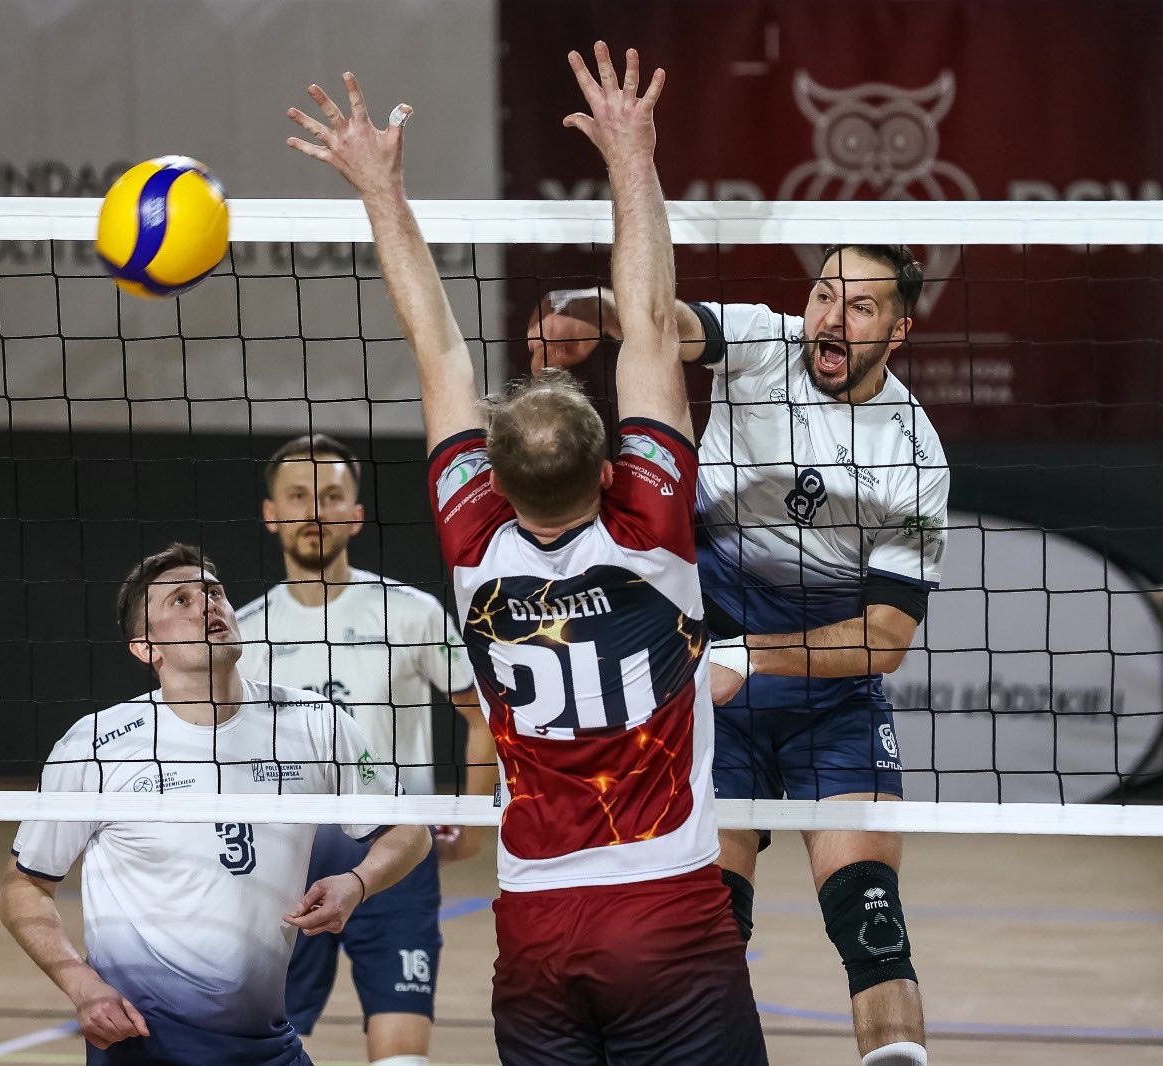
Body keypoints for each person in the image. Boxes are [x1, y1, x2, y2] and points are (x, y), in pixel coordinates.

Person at [285, 43, 767, 1065]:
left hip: (537, 923)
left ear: (495, 481)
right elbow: (648, 325)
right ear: (613, 472)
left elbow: (439, 352)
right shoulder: (653, 533)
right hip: (666, 907)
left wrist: (380, 190)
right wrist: (632, 158)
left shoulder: (474, 540)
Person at [527, 242, 948, 1062]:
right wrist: (586, 307)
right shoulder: (764, 341)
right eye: (824, 294)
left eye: (861, 307)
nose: (830, 318)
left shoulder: (914, 453)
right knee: (708, 931)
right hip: (711, 701)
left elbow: (886, 640)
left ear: (897, 334)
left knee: (872, 925)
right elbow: (660, 323)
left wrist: (749, 657)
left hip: (827, 702)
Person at [0, 543, 432, 1064]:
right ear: (146, 647)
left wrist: (357, 883)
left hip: (265, 1044)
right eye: (180, 600)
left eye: (214, 592)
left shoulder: (316, 723)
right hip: (144, 1047)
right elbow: (24, 886)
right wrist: (82, 985)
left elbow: (410, 831)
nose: (207, 604)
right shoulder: (95, 746)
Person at [236, 432, 490, 1062]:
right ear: (270, 514)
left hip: (394, 856)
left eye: (330, 496)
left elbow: (484, 718)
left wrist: (471, 819)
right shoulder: (243, 633)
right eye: (297, 496)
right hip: (286, 865)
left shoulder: (411, 613)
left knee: (402, 1057)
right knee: (260, 1051)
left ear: (355, 514)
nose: (314, 510)